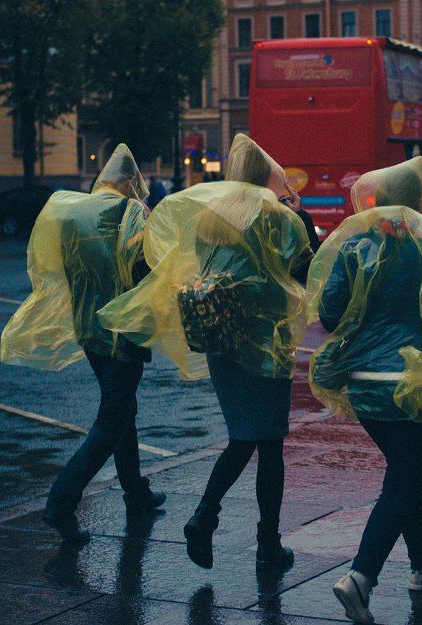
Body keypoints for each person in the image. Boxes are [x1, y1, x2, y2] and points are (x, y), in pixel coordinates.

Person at [98, 134, 313, 570]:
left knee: (242, 435)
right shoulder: (278, 218)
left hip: (219, 338)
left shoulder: (212, 216)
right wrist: (300, 216)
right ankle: (262, 543)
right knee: (267, 444)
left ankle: (208, 518)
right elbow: (304, 270)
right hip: (264, 343)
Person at [305, 157, 422, 624]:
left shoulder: (355, 245)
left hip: (364, 386)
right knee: (403, 479)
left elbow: (331, 313)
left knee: (405, 474)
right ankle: (361, 577)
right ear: (421, 200)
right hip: (417, 382)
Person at [0, 144, 164, 542]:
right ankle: (61, 503)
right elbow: (145, 269)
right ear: (130, 183)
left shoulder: (75, 213)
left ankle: (136, 493)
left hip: (88, 327)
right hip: (122, 331)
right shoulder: (128, 214)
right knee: (111, 421)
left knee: (124, 411)